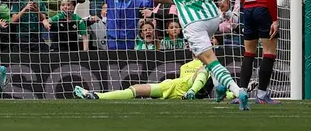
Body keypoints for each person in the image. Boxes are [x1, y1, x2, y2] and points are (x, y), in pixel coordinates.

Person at [150, 0, 250, 110]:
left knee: (209, 58)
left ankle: (237, 91)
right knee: (207, 57)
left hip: (192, 21)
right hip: (212, 15)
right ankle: (219, 86)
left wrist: (173, 0)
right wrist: (226, 1)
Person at [236, 0, 281, 105]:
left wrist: (246, 10)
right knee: (269, 52)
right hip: (263, 10)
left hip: (247, 10)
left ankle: (242, 93)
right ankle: (262, 95)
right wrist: (275, 19)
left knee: (249, 53)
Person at [75, 58, 210, 100]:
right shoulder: (186, 65)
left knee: (206, 68)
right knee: (136, 88)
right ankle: (97, 96)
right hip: (176, 87)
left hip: (191, 87)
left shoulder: (212, 63)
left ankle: (191, 91)